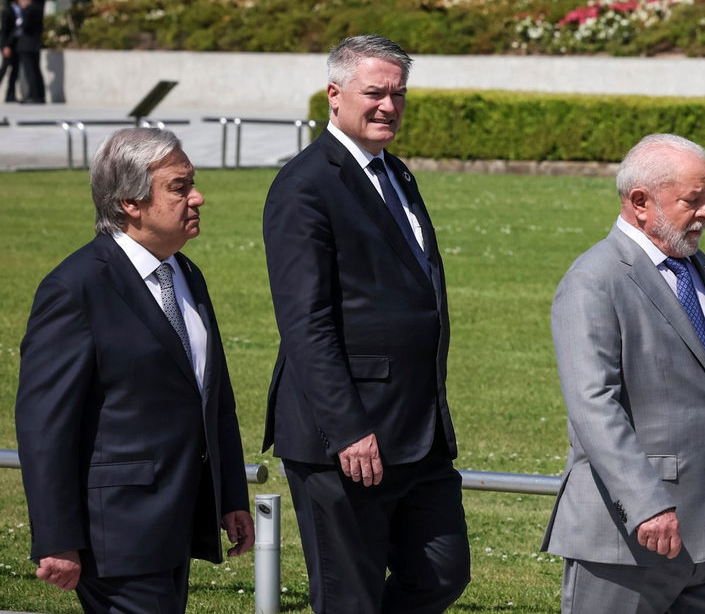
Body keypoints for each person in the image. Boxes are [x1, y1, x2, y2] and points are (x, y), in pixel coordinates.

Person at [262, 34, 469, 614]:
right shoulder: (304, 185)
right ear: (334, 94)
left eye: (398, 94)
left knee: (443, 574)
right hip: (345, 437)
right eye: (375, 93)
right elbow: (306, 321)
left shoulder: (395, 173)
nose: (389, 106)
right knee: (349, 599)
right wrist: (348, 427)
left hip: (418, 430)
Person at [15, 128, 253, 614]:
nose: (197, 197)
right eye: (180, 187)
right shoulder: (76, 287)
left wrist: (229, 495)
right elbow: (45, 426)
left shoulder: (186, 273)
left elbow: (212, 395)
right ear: (130, 201)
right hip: (115, 535)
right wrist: (57, 538)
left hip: (178, 521)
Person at [542, 134, 705, 613]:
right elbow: (593, 405)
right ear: (640, 202)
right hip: (628, 540)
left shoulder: (699, 268)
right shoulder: (593, 280)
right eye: (693, 200)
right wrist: (647, 503)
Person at [14, 0, 45, 104]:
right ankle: (40, 95)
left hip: (26, 45)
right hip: (35, 44)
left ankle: (33, 95)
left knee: (29, 72)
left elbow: (24, 26)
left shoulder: (27, 10)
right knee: (36, 70)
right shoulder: (38, 9)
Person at [1, 0, 20, 102]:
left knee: (15, 70)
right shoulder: (7, 10)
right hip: (8, 45)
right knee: (4, 69)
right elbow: (3, 31)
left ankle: (10, 95)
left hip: (15, 44)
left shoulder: (17, 9)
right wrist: (4, 46)